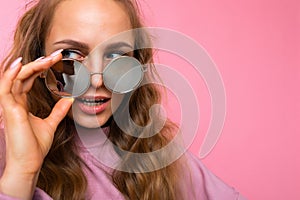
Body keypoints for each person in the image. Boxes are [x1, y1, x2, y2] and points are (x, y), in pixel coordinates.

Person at [0, 0, 244, 199]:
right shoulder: (6, 155)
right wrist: (22, 171)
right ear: (39, 61)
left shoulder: (158, 156)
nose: (97, 81)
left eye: (116, 55)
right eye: (71, 54)